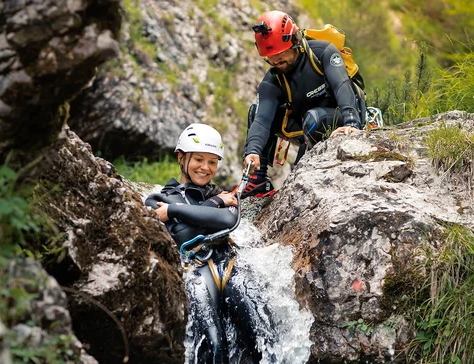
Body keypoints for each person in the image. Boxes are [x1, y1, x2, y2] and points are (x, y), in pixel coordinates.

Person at [145, 123, 273, 363]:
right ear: (181, 158)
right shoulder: (158, 199)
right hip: (195, 272)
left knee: (263, 341)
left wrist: (175, 211)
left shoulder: (213, 197)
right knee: (213, 345)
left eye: (212, 162)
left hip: (231, 266)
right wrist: (210, 207)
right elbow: (182, 234)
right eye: (199, 160)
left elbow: (228, 219)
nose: (205, 168)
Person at [241, 10, 366, 199]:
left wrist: (351, 123)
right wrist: (253, 151)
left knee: (313, 119)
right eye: (270, 57)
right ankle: (257, 182)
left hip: (341, 115)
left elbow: (342, 86)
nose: (276, 61)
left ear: (295, 42)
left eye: (280, 54)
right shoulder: (274, 78)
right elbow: (262, 119)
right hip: (307, 124)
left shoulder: (323, 52)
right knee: (255, 110)